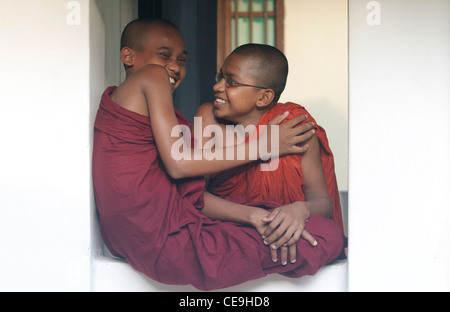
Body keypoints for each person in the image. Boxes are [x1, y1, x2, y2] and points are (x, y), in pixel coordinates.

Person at [92, 19, 344, 291]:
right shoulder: (155, 78)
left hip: (146, 234)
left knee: (301, 225)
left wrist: (261, 215)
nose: (175, 66)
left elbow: (188, 194)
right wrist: (266, 144)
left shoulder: (291, 124)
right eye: (164, 56)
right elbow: (180, 168)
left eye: (181, 59)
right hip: (163, 238)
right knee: (327, 235)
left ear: (264, 97)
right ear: (128, 56)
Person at [196, 43, 345, 263]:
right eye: (220, 77)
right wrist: (256, 217)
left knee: (328, 236)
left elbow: (322, 201)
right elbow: (195, 196)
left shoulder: (294, 126)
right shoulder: (209, 118)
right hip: (229, 223)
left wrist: (299, 210)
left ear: (264, 98)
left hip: (281, 223)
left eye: (231, 81)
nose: (217, 86)